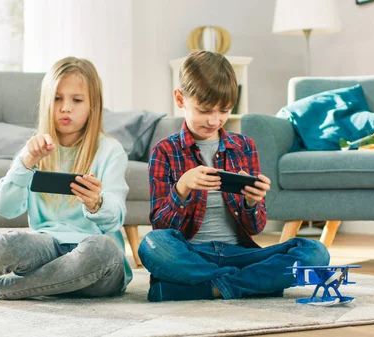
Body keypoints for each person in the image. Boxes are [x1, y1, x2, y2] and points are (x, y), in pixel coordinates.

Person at [0, 57, 131, 300]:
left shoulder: (110, 151)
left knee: (103, 250)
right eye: (57, 98)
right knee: (4, 242)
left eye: (77, 100)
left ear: (94, 105)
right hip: (47, 250)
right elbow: (2, 207)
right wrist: (25, 162)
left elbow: (115, 220)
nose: (65, 108)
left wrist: (97, 203)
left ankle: (1, 289)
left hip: (96, 269)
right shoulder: (36, 150)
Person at [138, 51, 330, 302]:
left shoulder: (244, 147)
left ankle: (211, 286)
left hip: (241, 254)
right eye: (205, 110)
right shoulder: (165, 150)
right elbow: (161, 228)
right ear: (180, 99)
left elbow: (256, 227)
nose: (214, 120)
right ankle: (253, 282)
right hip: (192, 253)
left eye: (224, 110)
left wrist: (252, 201)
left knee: (315, 253)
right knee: (152, 245)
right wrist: (182, 188)